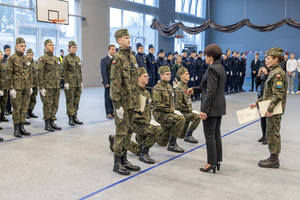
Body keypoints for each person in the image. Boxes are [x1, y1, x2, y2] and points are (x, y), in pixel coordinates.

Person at [187, 44, 226, 173]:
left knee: (209, 135)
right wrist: (195, 89)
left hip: (211, 107)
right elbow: (209, 87)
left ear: (210, 56)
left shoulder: (211, 69)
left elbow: (210, 91)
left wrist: (204, 109)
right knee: (216, 134)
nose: (204, 57)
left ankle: (211, 162)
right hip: (219, 106)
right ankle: (217, 160)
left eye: (205, 55)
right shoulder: (220, 67)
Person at [109, 67, 160, 164]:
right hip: (136, 124)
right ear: (138, 78)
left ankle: (114, 140)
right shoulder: (134, 93)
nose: (147, 78)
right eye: (144, 76)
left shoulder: (146, 92)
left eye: (147, 76)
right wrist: (148, 122)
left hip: (144, 123)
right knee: (157, 129)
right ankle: (144, 154)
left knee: (137, 150)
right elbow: (134, 115)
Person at [250, 47, 287, 169]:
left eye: (269, 58)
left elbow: (278, 95)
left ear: (276, 59)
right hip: (270, 107)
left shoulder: (278, 74)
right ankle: (273, 156)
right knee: (270, 132)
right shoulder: (272, 72)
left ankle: (274, 159)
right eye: (266, 58)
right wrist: (257, 103)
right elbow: (268, 94)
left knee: (273, 132)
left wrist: (270, 110)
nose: (266, 61)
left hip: (274, 110)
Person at [110, 28, 141, 175]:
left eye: (129, 37)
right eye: (125, 38)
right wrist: (117, 105)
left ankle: (124, 159)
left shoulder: (132, 57)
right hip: (122, 102)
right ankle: (117, 162)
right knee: (121, 132)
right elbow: (115, 83)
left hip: (132, 101)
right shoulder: (117, 59)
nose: (129, 40)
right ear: (118, 40)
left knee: (129, 131)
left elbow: (135, 81)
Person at [152, 65, 185, 153]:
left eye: (170, 74)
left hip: (167, 113)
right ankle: (172, 144)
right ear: (161, 75)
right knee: (180, 119)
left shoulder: (169, 87)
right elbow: (158, 105)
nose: (169, 76)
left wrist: (173, 110)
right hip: (159, 114)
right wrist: (173, 111)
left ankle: (144, 137)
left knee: (162, 142)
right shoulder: (157, 88)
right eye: (167, 74)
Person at [6, 38, 33, 137]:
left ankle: (22, 127)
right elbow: (8, 74)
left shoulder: (26, 59)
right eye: (22, 46)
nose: (24, 48)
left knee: (24, 108)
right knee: (17, 108)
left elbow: (29, 73)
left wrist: (30, 86)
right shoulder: (12, 58)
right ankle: (16, 128)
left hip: (26, 88)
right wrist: (11, 88)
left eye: (25, 46)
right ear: (16, 46)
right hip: (16, 88)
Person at [38, 39, 62, 132]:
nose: (52, 46)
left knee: (55, 104)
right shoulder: (43, 58)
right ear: (45, 47)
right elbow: (39, 73)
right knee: (48, 105)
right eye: (50, 45)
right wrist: (41, 87)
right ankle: (47, 123)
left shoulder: (56, 58)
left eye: (53, 45)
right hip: (47, 87)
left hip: (56, 86)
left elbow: (58, 72)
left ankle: (52, 121)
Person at [174, 67, 200, 143]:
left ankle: (184, 133)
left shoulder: (186, 86)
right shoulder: (180, 88)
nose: (188, 75)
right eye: (186, 74)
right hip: (182, 113)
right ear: (181, 76)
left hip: (186, 111)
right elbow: (178, 105)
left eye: (188, 74)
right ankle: (188, 135)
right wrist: (191, 110)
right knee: (197, 117)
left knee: (181, 135)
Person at [61, 41, 83, 126]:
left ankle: (75, 116)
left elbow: (79, 71)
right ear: (69, 48)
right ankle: (70, 118)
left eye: (76, 47)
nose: (74, 49)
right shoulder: (66, 58)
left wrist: (81, 81)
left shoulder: (77, 58)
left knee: (76, 100)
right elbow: (63, 71)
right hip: (70, 84)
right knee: (70, 101)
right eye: (73, 47)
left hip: (77, 83)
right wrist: (65, 82)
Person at [255, 58, 269, 145]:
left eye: (268, 61)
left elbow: (270, 83)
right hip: (261, 96)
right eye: (265, 62)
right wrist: (259, 75)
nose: (266, 63)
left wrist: (267, 74)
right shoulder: (264, 71)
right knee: (262, 118)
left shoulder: (272, 72)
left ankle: (267, 137)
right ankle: (263, 135)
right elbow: (257, 83)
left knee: (268, 119)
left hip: (268, 98)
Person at [101, 44, 116, 119]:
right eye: (112, 49)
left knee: (113, 97)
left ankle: (112, 111)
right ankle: (108, 112)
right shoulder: (104, 60)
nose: (114, 51)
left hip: (114, 82)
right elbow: (103, 72)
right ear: (108, 50)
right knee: (107, 97)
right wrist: (106, 82)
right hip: (108, 82)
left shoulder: (115, 59)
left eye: (115, 49)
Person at [25, 49, 38, 119]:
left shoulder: (35, 63)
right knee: (27, 99)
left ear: (33, 55)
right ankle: (26, 113)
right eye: (27, 55)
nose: (29, 56)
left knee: (33, 99)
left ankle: (31, 111)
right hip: (28, 84)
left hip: (35, 84)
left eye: (30, 54)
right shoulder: (25, 63)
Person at [3, 44, 12, 115]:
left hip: (10, 80)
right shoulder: (2, 59)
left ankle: (9, 108)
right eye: (7, 50)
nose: (9, 52)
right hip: (4, 81)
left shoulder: (11, 59)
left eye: (10, 50)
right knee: (5, 97)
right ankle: (5, 109)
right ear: (4, 51)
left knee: (10, 96)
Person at [0, 50, 9, 123]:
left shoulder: (3, 64)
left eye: (1, 55)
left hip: (5, 86)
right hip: (0, 87)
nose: (1, 56)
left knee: (4, 102)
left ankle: (2, 116)